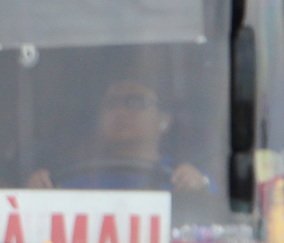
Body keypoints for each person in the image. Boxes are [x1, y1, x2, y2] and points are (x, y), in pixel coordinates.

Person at [25, 76, 211, 193]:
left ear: (164, 120)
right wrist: (38, 189)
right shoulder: (72, 179)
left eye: (136, 102)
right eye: (112, 104)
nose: (121, 111)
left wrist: (200, 187)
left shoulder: (186, 179)